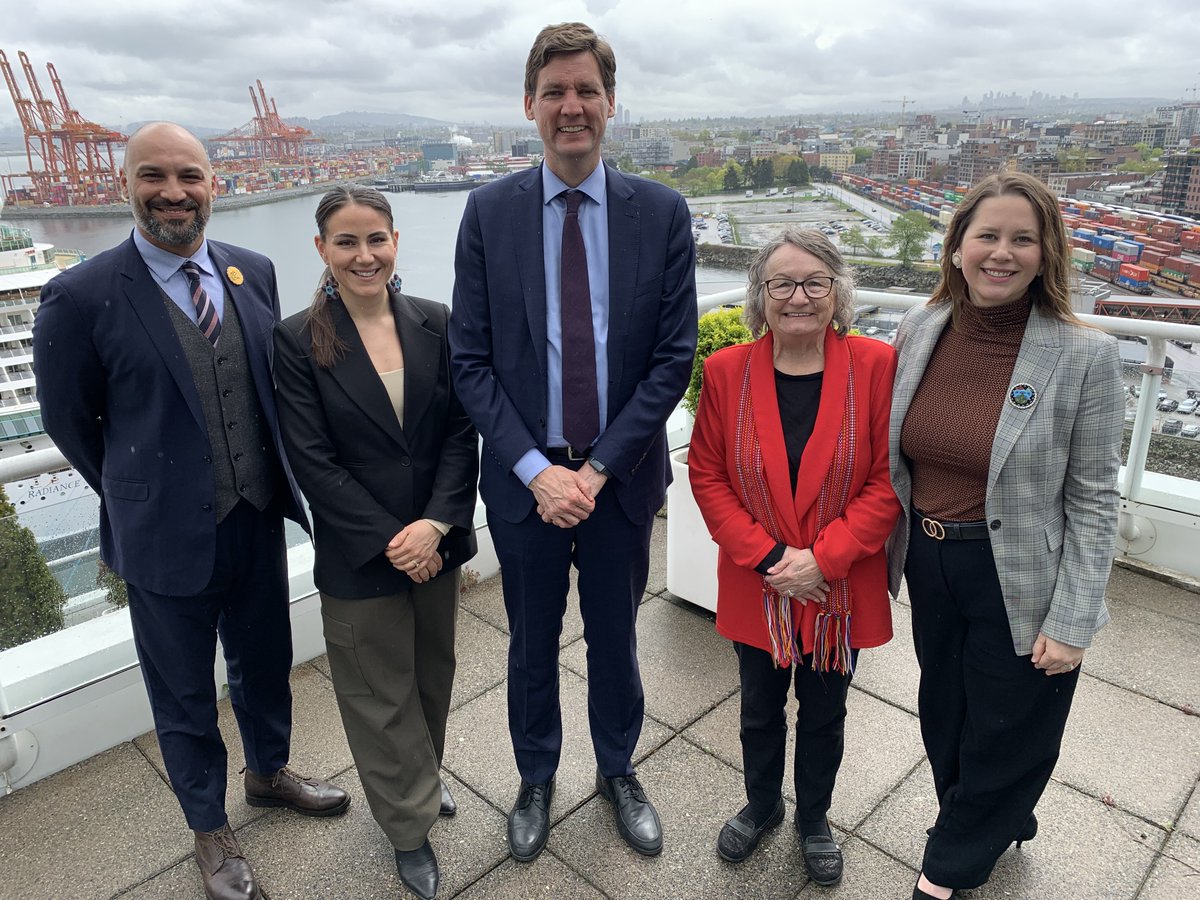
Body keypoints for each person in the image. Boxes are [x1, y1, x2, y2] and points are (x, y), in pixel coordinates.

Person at [32, 122, 349, 900]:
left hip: (255, 515)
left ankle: (269, 773)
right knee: (180, 692)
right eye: (153, 177)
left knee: (266, 660)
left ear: (216, 184)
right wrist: (136, 494)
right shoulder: (81, 295)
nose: (173, 193)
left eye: (189, 177)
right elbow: (69, 420)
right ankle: (209, 830)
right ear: (127, 186)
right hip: (161, 534)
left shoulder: (253, 270)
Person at [448, 21, 697, 862]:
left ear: (611, 102)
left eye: (586, 89)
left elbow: (671, 359)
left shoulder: (659, 212)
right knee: (529, 642)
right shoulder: (488, 213)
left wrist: (592, 472)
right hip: (526, 485)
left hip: (617, 481)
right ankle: (535, 776)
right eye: (554, 91)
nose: (571, 106)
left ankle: (620, 769)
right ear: (530, 104)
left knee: (617, 637)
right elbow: (470, 361)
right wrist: (536, 472)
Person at [887, 172, 1125, 900]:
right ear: (956, 247)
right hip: (930, 559)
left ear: (1046, 252)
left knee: (1010, 723)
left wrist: (1075, 618)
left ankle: (951, 862)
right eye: (986, 235)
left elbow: (1093, 500)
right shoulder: (920, 330)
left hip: (1017, 571)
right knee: (946, 708)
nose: (1002, 252)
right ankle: (996, 817)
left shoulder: (1084, 356)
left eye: (1023, 238)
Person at [271, 186, 477, 900]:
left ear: (396, 242)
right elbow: (310, 459)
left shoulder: (435, 322)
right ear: (322, 250)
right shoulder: (297, 338)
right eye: (347, 242)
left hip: (436, 542)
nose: (365, 256)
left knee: (430, 675)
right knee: (375, 695)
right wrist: (395, 538)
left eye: (376, 240)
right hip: (362, 552)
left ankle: (420, 782)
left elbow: (458, 431)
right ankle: (407, 829)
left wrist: (437, 524)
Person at [688, 229, 900, 885]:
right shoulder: (728, 371)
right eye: (782, 283)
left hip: (837, 587)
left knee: (825, 709)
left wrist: (823, 561)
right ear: (761, 296)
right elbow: (707, 474)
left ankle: (813, 817)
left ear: (838, 292)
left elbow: (888, 479)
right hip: (762, 582)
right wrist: (775, 559)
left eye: (814, 282)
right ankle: (760, 807)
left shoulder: (875, 365)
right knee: (757, 707)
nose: (798, 297)